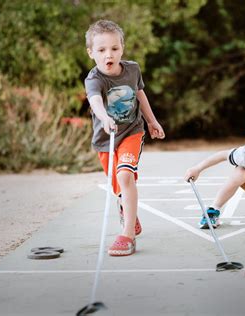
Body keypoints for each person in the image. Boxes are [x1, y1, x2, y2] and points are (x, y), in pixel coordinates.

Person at [84, 20, 165, 256]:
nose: (109, 55)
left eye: (114, 48)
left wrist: (152, 121)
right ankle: (126, 208)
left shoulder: (132, 70)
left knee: (125, 174)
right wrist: (103, 117)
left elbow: (140, 94)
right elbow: (95, 102)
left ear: (122, 48)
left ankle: (127, 235)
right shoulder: (94, 79)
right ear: (91, 53)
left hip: (131, 131)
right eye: (101, 50)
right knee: (119, 187)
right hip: (105, 138)